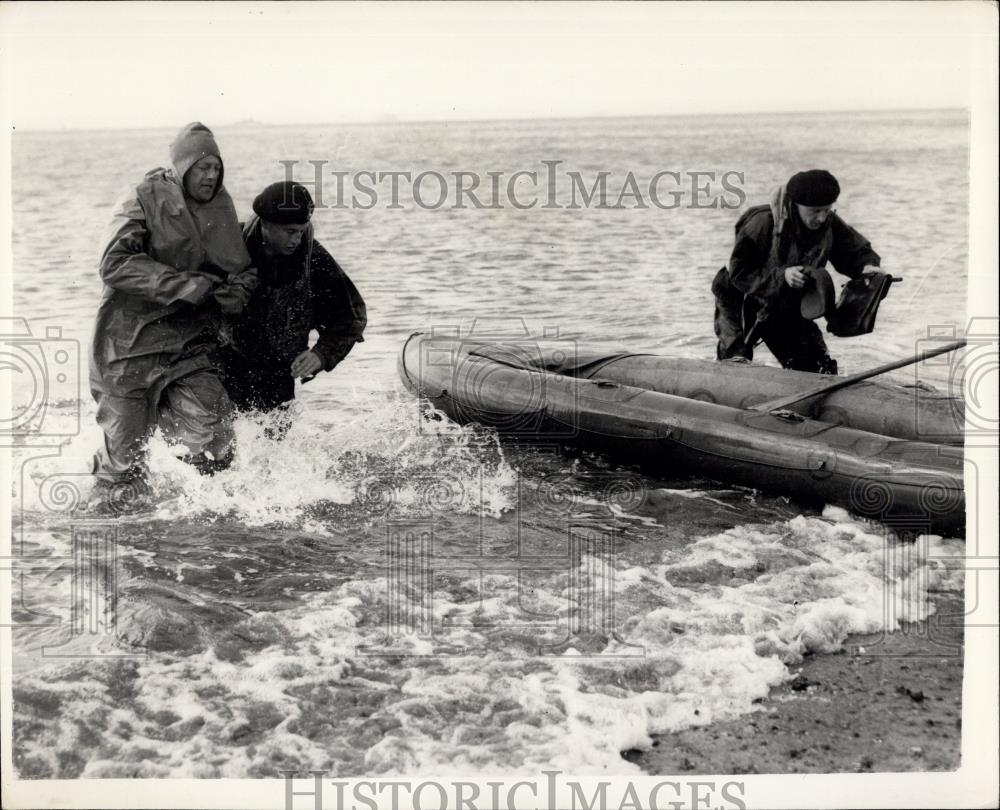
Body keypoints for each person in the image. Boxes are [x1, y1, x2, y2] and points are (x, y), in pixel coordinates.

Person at [90, 122, 257, 502]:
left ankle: (208, 527)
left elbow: (242, 267)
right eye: (202, 167)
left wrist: (238, 291)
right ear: (182, 167)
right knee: (124, 468)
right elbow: (113, 263)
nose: (211, 176)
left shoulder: (219, 204)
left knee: (216, 444)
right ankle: (112, 532)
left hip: (188, 346)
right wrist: (186, 285)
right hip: (126, 348)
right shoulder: (142, 199)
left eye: (216, 168)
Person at [219, 181, 366, 420]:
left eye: (301, 231)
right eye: (289, 231)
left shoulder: (313, 260)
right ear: (266, 224)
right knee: (220, 447)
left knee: (274, 450)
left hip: (278, 374)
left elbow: (351, 316)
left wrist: (321, 354)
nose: (296, 240)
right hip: (224, 367)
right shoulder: (226, 249)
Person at [711, 169, 882, 374]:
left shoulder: (829, 224)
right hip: (739, 296)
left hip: (783, 303)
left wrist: (867, 266)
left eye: (827, 210)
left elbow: (854, 252)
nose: (821, 217)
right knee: (736, 360)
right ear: (795, 205)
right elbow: (739, 272)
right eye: (815, 211)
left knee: (818, 368)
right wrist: (782, 276)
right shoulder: (762, 223)